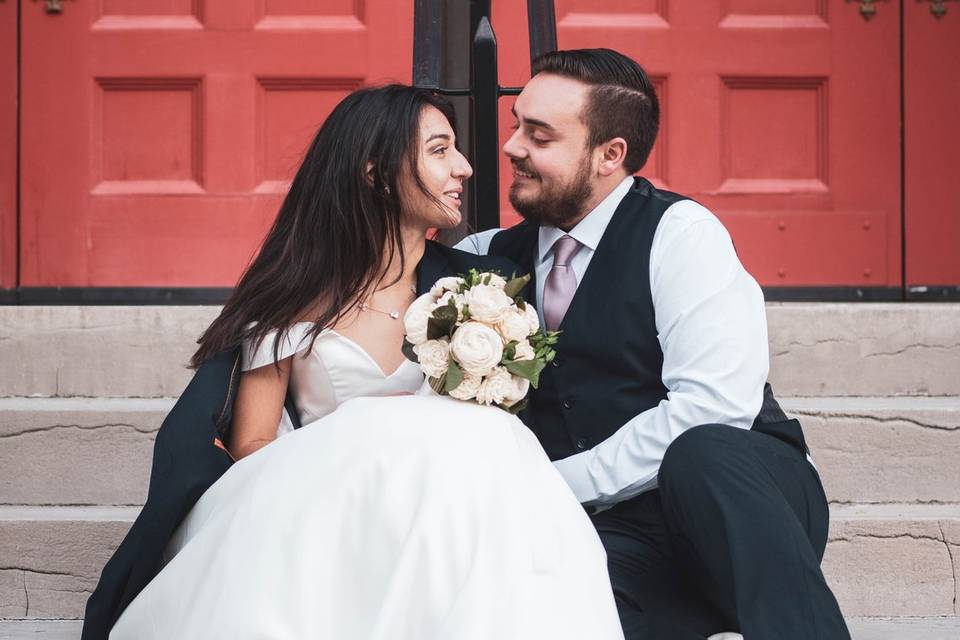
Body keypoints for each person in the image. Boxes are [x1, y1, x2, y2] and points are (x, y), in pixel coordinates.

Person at [83, 85, 624, 640]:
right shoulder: (294, 294)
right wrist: (364, 446)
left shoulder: (478, 290)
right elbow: (252, 446)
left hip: (438, 517)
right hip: (320, 505)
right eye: (440, 151)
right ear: (376, 173)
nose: (463, 167)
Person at [458, 49, 850, 640]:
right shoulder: (486, 261)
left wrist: (556, 486)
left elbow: (714, 406)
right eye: (515, 125)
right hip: (618, 535)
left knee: (705, 450)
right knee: (552, 601)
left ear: (609, 155)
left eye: (537, 135)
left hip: (738, 508)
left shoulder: (681, 235)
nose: (512, 146)